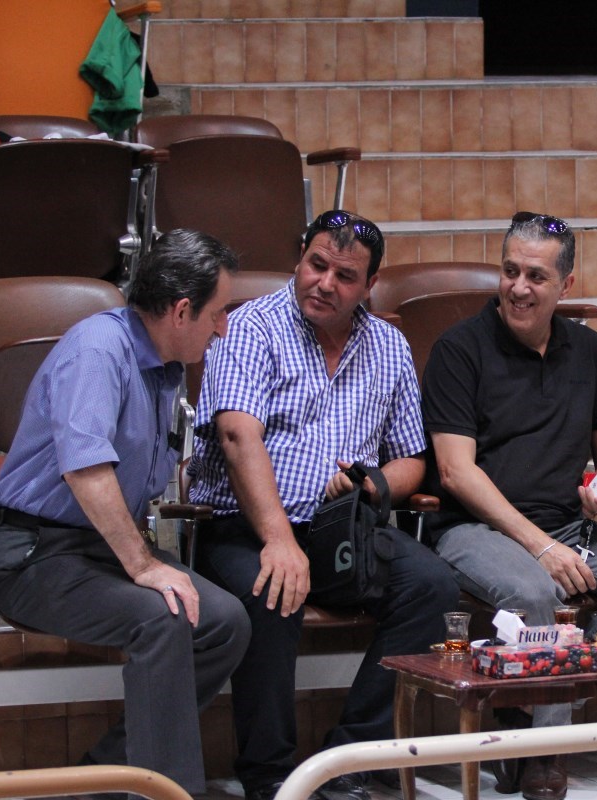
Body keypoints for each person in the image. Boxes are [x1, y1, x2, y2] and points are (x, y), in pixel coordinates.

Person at [186, 210, 459, 800]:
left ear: (370, 286)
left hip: (343, 529)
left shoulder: (388, 344)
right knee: (273, 591)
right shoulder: (250, 327)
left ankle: (352, 757)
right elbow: (236, 435)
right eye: (316, 265)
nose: (324, 283)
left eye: (345, 276)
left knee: (432, 586)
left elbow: (412, 458)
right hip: (244, 527)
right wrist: (279, 539)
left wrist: (374, 485)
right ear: (300, 258)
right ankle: (270, 775)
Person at [420, 211, 597, 800]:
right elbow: (455, 471)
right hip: (476, 528)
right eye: (510, 271)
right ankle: (547, 750)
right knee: (537, 594)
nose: (518, 287)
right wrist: (540, 547)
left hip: (570, 524)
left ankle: (534, 699)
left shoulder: (587, 349)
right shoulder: (460, 348)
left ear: (566, 285)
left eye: (535, 276)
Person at [0, 230, 251, 795]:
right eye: (218, 313)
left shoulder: (165, 364)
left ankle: (111, 774)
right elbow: (86, 472)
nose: (223, 327)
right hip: (34, 554)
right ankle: (170, 792)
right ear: (182, 311)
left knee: (225, 622)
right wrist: (145, 565)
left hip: (99, 547)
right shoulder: (99, 350)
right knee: (163, 616)